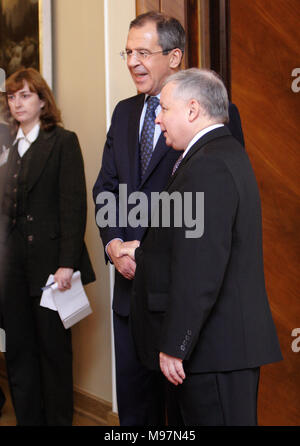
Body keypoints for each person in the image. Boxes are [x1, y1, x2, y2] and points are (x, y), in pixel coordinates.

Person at [93, 11, 245, 426]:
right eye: (127, 52)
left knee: (181, 418)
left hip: (180, 299)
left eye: (143, 51)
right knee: (136, 414)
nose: (131, 61)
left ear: (175, 56)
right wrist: (114, 245)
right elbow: (107, 187)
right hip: (129, 297)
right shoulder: (124, 112)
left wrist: (148, 251)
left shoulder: (213, 114)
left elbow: (216, 205)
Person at [124, 68, 283, 426]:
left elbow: (200, 267)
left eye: (164, 108)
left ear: (193, 110)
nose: (158, 118)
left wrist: (174, 344)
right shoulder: (215, 153)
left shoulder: (208, 165)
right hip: (213, 350)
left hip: (212, 353)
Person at [0, 68, 95, 425]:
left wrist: (67, 263)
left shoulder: (62, 142)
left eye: (25, 95)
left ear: (42, 100)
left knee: (53, 354)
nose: (18, 103)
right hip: (11, 269)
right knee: (19, 353)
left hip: (51, 269)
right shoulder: (7, 146)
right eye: (12, 96)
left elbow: (74, 206)